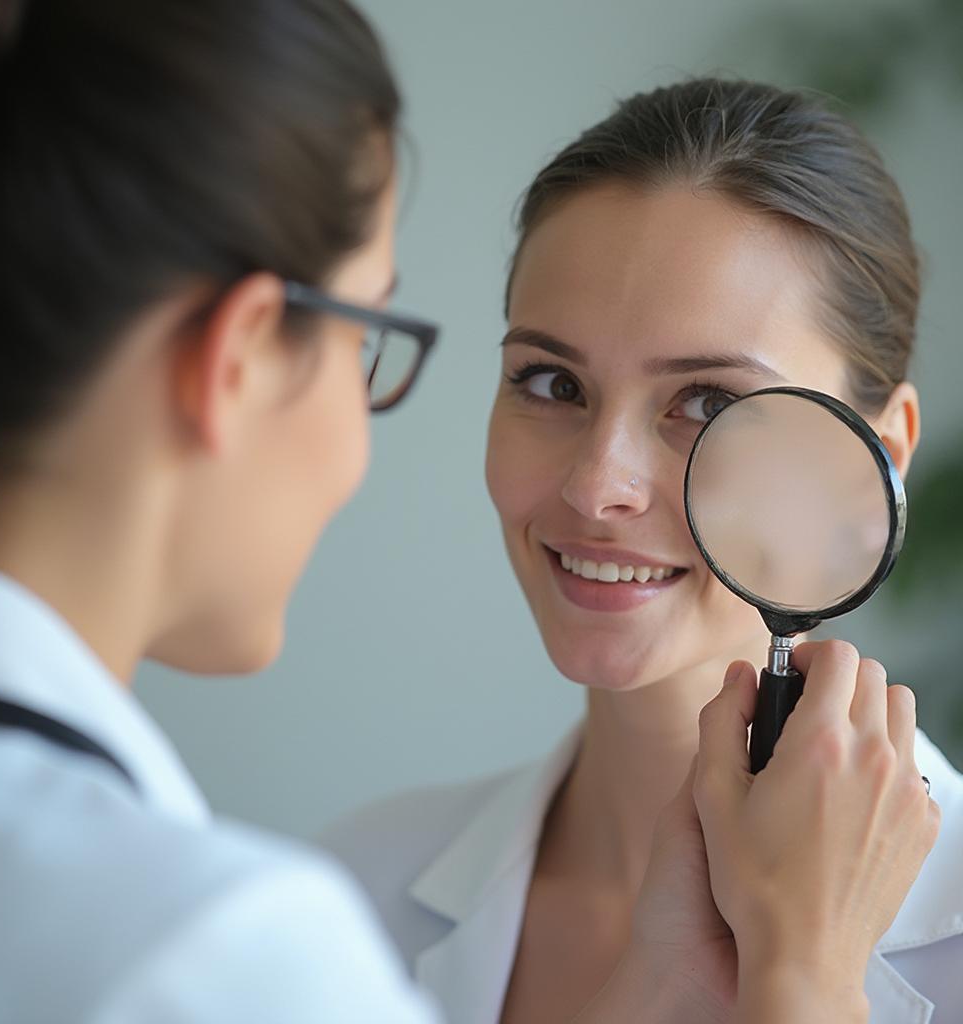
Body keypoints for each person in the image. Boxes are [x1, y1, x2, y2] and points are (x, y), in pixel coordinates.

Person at [323, 78, 957, 1024]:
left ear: (883, 456)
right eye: (551, 382)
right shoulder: (352, 894)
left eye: (708, 403)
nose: (595, 485)